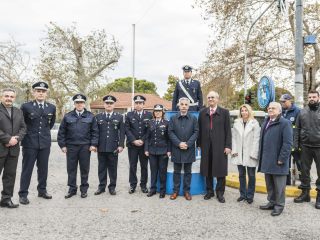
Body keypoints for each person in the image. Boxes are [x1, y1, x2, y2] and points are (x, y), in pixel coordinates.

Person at [19, 82, 56, 205]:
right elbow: (22, 124)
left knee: (43, 169)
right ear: (34, 92)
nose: (41, 93)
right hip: (29, 142)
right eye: (38, 91)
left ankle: (42, 190)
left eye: (43, 91)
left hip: (44, 143)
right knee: (27, 169)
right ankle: (23, 194)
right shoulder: (26, 106)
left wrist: (44, 135)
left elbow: (50, 124)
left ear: (46, 93)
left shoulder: (51, 107)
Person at [57, 94, 98, 199]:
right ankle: (72, 189)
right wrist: (62, 145)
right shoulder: (68, 116)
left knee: (84, 169)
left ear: (84, 104)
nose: (79, 104)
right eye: (77, 102)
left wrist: (93, 144)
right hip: (71, 147)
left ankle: (84, 189)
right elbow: (62, 132)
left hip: (85, 147)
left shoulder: (90, 116)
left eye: (81, 102)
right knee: (71, 169)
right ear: (74, 104)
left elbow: (95, 132)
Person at [258, 102, 292, 216]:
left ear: (279, 110)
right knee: (270, 184)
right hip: (267, 160)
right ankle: (271, 202)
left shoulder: (285, 123)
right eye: (269, 108)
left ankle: (279, 205)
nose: (270, 110)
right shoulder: (266, 122)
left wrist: (282, 158)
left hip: (278, 161)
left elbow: (288, 144)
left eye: (273, 108)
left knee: (279, 187)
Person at [197, 91, 231, 203]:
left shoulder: (225, 112)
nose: (210, 99)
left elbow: (228, 131)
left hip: (220, 146)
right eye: (209, 97)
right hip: (206, 146)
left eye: (212, 97)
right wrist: (199, 144)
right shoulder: (202, 113)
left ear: (217, 99)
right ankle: (209, 191)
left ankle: (220, 193)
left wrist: (228, 146)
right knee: (208, 169)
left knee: (220, 170)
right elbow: (199, 130)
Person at [294, 90, 320, 209]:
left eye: (314, 96)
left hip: (319, 146)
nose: (312, 98)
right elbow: (297, 129)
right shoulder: (302, 112)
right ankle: (305, 194)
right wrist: (296, 145)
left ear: (318, 98)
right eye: (310, 97)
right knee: (304, 171)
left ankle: (319, 196)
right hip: (305, 146)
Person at [0, 88, 26, 208]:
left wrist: (16, 139)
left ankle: (6, 199)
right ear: (1, 97)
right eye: (6, 96)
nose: (9, 98)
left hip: (13, 149)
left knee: (10, 175)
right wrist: (7, 139)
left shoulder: (18, 111)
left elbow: (23, 128)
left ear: (14, 98)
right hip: (1, 147)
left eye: (11, 96)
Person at [94, 95, 125, 196]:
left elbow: (122, 132)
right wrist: (94, 145)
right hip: (101, 147)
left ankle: (112, 187)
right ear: (104, 104)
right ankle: (101, 187)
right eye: (107, 103)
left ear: (114, 105)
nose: (109, 105)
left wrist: (121, 145)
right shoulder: (98, 117)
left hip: (113, 147)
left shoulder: (119, 117)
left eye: (111, 103)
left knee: (113, 168)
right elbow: (95, 132)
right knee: (101, 168)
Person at [168, 98, 199, 201]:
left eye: (186, 104)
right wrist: (179, 143)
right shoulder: (173, 118)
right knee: (176, 171)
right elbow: (170, 132)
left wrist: (188, 144)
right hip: (176, 149)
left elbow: (196, 132)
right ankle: (175, 191)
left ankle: (187, 191)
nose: (184, 106)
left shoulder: (193, 118)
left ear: (188, 106)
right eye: (182, 104)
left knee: (187, 171)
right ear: (179, 106)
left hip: (189, 149)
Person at [231, 104, 260, 204]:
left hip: (250, 153)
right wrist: (234, 150)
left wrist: (254, 153)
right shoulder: (236, 123)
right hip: (239, 153)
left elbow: (257, 139)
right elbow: (233, 138)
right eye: (242, 110)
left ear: (249, 111)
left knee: (251, 176)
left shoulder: (254, 123)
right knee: (241, 175)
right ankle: (242, 194)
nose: (244, 112)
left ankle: (250, 195)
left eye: (246, 110)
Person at [125, 95, 152, 194]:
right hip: (132, 145)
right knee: (133, 165)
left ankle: (143, 185)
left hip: (144, 145)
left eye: (140, 103)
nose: (138, 105)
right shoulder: (129, 115)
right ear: (134, 104)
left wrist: (143, 140)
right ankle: (132, 185)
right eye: (136, 103)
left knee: (144, 165)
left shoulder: (149, 115)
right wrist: (134, 140)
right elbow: (126, 129)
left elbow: (149, 130)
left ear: (143, 104)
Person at [144, 104, 171, 198]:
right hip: (152, 151)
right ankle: (153, 189)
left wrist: (169, 150)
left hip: (163, 151)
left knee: (162, 172)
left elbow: (169, 138)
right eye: (156, 111)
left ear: (162, 112)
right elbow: (147, 137)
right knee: (153, 171)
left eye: (159, 111)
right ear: (154, 113)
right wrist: (146, 149)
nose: (157, 113)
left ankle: (162, 191)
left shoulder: (167, 123)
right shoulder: (150, 122)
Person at [279, 93, 301, 185]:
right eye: (281, 102)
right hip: (285, 143)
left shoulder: (298, 111)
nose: (282, 103)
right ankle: (286, 183)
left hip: (295, 143)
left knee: (300, 164)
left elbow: (300, 128)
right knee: (285, 164)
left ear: (290, 101)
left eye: (284, 101)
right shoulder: (281, 111)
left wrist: (297, 143)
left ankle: (304, 183)